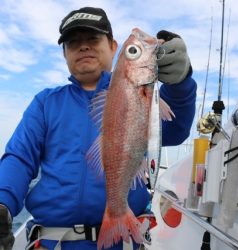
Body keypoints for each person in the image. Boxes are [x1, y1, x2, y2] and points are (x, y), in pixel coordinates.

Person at [0, 6, 196, 250]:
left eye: (93, 38)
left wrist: (180, 82)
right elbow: (19, 158)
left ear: (113, 47)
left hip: (124, 239)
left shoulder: (145, 96)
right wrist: (3, 203)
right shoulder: (46, 103)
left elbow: (176, 129)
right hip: (53, 242)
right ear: (64, 54)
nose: (83, 46)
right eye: (73, 42)